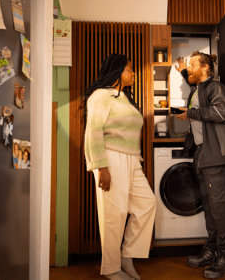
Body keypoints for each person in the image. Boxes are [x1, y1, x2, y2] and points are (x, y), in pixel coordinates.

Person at [82, 53, 156, 280]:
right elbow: (93, 133)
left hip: (132, 160)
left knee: (147, 204)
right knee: (113, 214)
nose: (133, 73)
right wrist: (101, 167)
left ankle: (127, 255)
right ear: (116, 72)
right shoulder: (100, 96)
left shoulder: (124, 98)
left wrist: (135, 162)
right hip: (111, 159)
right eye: (129, 69)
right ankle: (112, 269)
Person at [176, 51, 225, 279]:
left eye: (192, 65)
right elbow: (196, 97)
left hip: (217, 159)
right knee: (210, 211)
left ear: (206, 69)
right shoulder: (199, 90)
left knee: (220, 211)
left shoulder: (215, 88)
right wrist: (183, 72)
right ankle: (212, 251)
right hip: (203, 157)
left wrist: (191, 113)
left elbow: (222, 111)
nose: (189, 68)